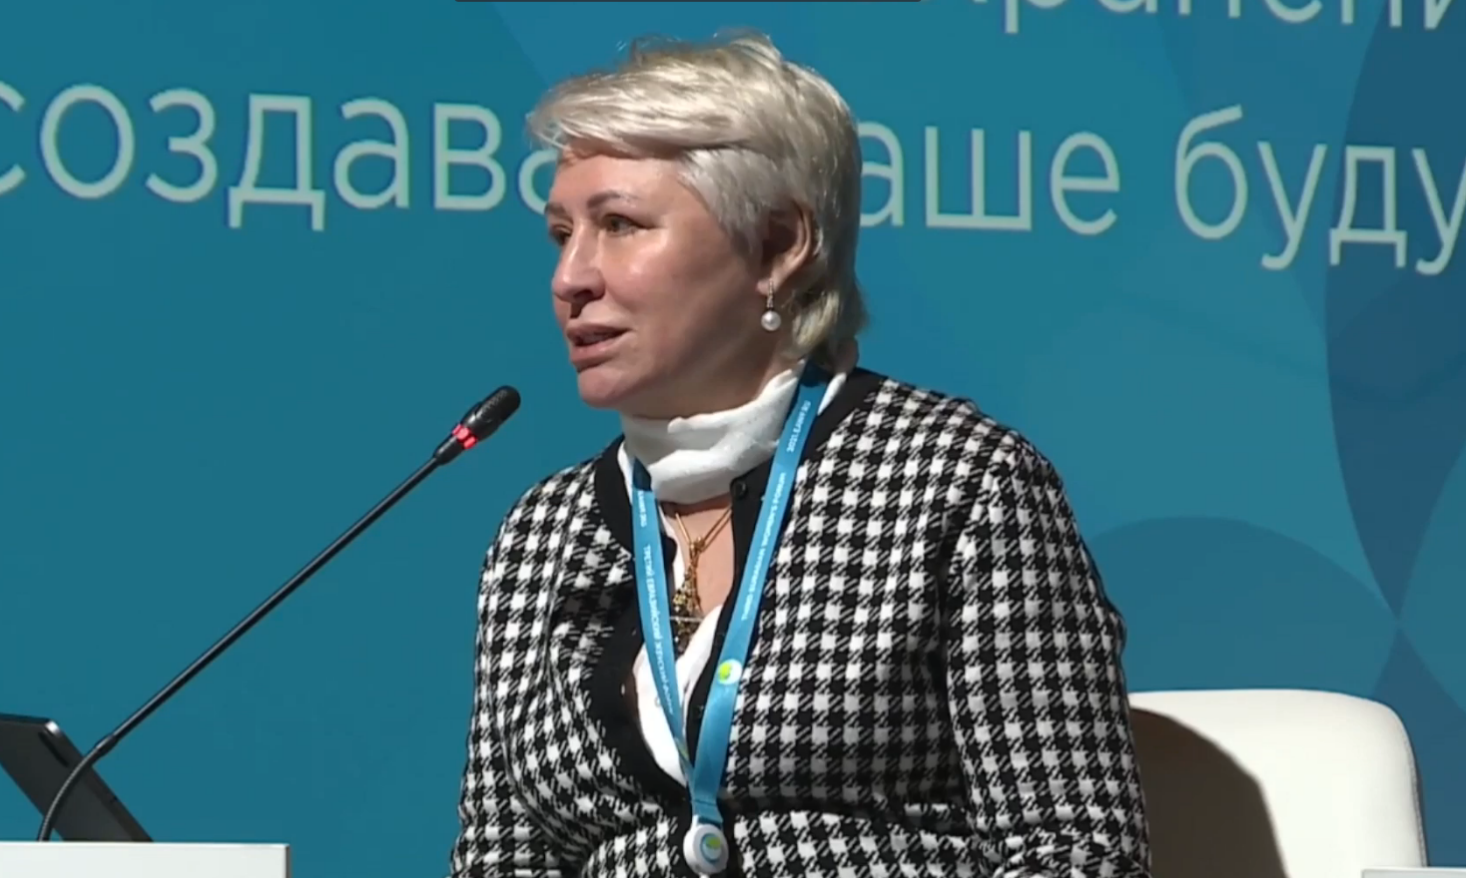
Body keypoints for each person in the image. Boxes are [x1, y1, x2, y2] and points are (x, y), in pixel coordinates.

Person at [446, 30, 1152, 878]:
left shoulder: (954, 483)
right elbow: (499, 861)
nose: (571, 278)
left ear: (778, 246)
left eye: (620, 225)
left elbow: (1076, 852)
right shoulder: (542, 536)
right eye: (562, 234)